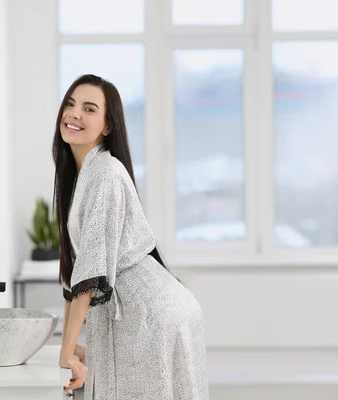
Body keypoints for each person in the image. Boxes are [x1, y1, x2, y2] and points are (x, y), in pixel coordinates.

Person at [53, 74, 209, 399]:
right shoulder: (84, 175)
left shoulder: (107, 174)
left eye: (89, 108)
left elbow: (90, 273)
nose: (74, 114)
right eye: (70, 104)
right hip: (150, 310)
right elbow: (76, 273)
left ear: (107, 126)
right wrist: (72, 348)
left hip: (150, 314)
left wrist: (67, 350)